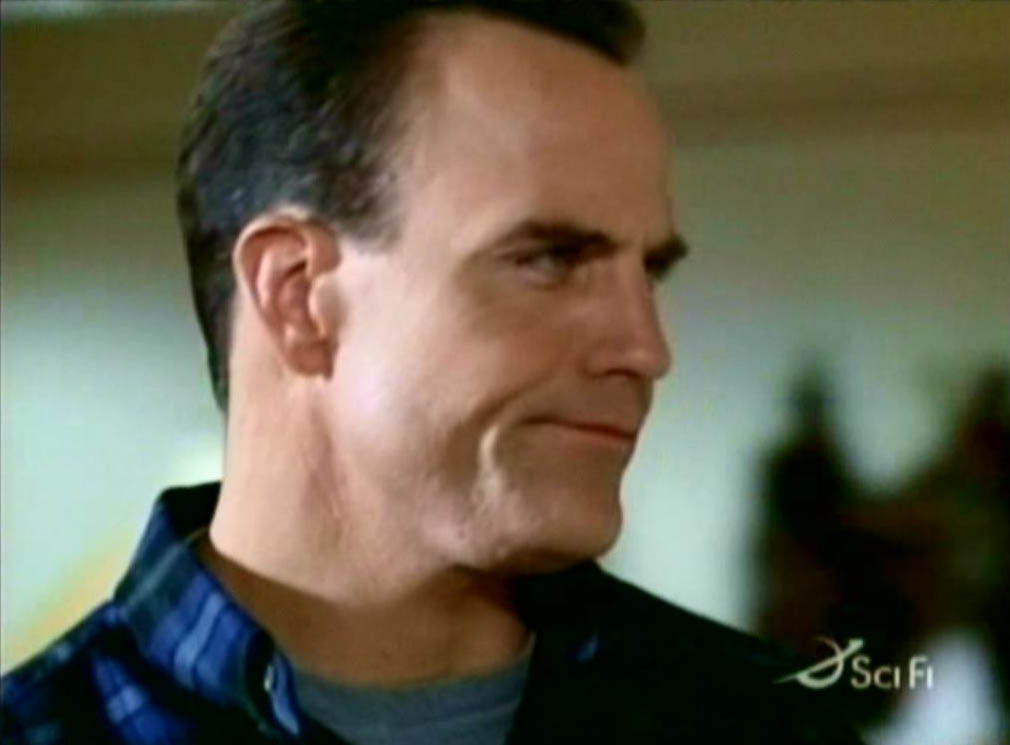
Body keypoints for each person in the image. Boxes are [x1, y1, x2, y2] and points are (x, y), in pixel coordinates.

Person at [1, 1, 864, 743]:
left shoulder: (765, 721)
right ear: (298, 294)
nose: (646, 349)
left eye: (651, 273)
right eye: (551, 259)